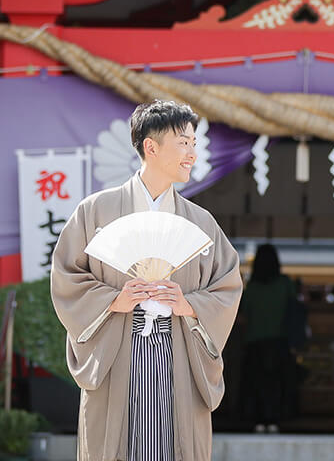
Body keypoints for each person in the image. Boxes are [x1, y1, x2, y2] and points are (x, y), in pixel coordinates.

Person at [51, 100, 242, 461]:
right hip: (117, 348)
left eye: (193, 143)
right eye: (183, 142)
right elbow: (66, 276)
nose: (192, 152)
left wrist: (189, 304)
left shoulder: (200, 223)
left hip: (178, 349)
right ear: (150, 147)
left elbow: (227, 285)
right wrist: (112, 300)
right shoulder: (95, 211)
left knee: (173, 445)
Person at [237, 243, 298, 433]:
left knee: (256, 382)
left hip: (254, 341)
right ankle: (275, 421)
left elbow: (242, 314)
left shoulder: (252, 288)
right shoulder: (285, 284)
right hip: (279, 341)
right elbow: (295, 309)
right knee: (277, 382)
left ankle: (258, 421)